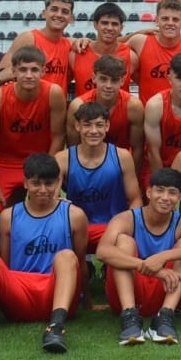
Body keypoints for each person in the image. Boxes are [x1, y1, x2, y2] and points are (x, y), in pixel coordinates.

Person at [0, 153, 87, 354]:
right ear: (25, 183)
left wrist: (88, 302)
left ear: (58, 182)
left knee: (66, 255)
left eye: (49, 184)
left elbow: (79, 263)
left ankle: (56, 328)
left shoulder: (74, 215)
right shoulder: (9, 216)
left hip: (56, 292)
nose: (42, 190)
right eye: (36, 183)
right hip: (20, 294)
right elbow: (5, 265)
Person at [97, 168, 181, 345]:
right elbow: (103, 251)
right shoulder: (127, 218)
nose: (165, 197)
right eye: (160, 190)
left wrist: (163, 256)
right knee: (123, 242)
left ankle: (165, 316)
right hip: (129, 290)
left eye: (172, 193)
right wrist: (152, 268)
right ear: (149, 192)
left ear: (179, 198)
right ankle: (129, 317)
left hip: (167, 289)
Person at [0, 45, 66, 208]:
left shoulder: (53, 93)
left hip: (39, 159)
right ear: (13, 71)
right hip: (5, 162)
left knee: (47, 207)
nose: (28, 75)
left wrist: (48, 170)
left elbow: (58, 136)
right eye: (23, 70)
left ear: (43, 71)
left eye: (34, 70)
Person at [56, 101, 142, 253]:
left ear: (107, 126)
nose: (93, 131)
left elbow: (135, 198)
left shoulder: (122, 156)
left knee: (127, 241)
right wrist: (57, 203)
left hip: (114, 224)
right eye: (87, 125)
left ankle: (111, 270)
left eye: (99, 125)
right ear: (78, 126)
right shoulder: (63, 159)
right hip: (78, 225)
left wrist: (128, 223)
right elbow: (51, 198)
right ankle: (80, 271)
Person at [66, 53, 144, 171]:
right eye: (103, 79)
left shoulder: (133, 106)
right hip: (86, 165)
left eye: (114, 80)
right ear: (94, 78)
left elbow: (137, 148)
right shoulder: (78, 106)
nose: (108, 85)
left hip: (120, 165)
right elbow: (73, 149)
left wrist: (132, 177)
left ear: (122, 81)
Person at [130, 0, 181, 104]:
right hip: (148, 115)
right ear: (157, 20)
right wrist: (136, 33)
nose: (170, 23)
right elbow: (111, 47)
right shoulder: (139, 42)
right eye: (165, 19)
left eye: (175, 19)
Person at [0, 0, 75, 94]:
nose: (59, 15)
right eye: (54, 9)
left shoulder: (70, 45)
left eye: (65, 12)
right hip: (27, 104)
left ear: (71, 18)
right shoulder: (28, 38)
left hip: (56, 107)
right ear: (44, 13)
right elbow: (2, 72)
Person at [72, 2, 133, 96]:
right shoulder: (77, 53)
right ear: (95, 25)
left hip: (118, 110)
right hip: (84, 110)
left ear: (121, 28)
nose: (109, 28)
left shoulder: (131, 56)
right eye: (104, 23)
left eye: (114, 24)